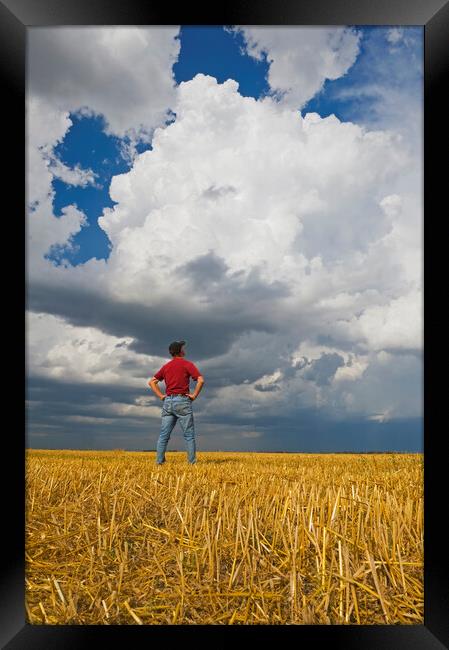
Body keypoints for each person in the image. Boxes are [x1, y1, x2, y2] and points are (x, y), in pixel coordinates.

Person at [148, 340, 204, 465]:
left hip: (168, 401)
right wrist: (194, 395)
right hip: (183, 401)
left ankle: (159, 463)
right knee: (188, 435)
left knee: (164, 435)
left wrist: (162, 396)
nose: (185, 350)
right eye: (183, 348)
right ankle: (191, 464)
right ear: (180, 351)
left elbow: (152, 382)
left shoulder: (166, 367)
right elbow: (200, 380)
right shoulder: (187, 364)